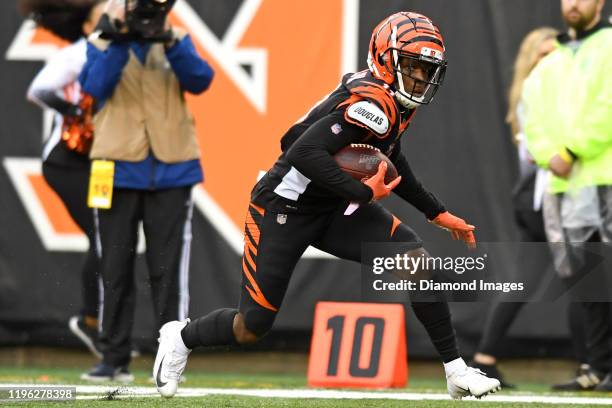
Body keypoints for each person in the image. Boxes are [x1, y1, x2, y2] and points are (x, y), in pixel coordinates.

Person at [153, 11, 501, 400]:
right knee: (252, 326)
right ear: (386, 58)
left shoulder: (393, 103)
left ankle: (455, 370)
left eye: (426, 69)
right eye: (413, 66)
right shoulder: (375, 103)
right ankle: (180, 338)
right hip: (283, 208)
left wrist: (435, 210)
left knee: (415, 261)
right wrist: (362, 194)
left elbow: (390, 156)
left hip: (332, 207)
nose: (420, 77)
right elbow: (300, 150)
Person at [78, 0, 215, 381]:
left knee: (168, 270)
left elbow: (201, 80)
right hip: (115, 168)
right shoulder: (101, 40)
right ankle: (113, 356)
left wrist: (170, 40)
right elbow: (94, 86)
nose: (143, 15)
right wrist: (116, 37)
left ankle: (171, 357)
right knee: (114, 265)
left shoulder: (177, 38)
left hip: (172, 169)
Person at [470, 27, 569, 387]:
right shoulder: (534, 99)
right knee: (587, 277)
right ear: (531, 61)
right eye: (542, 56)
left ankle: (484, 357)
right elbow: (540, 156)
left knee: (528, 281)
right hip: (542, 200)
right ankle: (595, 366)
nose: (550, 62)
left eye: (554, 55)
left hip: (542, 199)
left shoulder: (549, 94)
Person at [522, 0, 612, 391]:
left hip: (605, 178)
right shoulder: (551, 62)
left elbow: (607, 107)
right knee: (587, 283)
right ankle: (597, 367)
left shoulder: (609, 46)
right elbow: (531, 116)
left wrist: (573, 150)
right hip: (566, 186)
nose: (573, 3)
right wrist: (551, 156)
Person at [21, 0, 106, 360]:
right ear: (87, 26)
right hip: (67, 160)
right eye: (103, 14)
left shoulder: (124, 56)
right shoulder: (78, 54)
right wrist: (75, 113)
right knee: (102, 234)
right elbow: (38, 91)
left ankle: (102, 325)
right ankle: (90, 321)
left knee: (112, 237)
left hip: (102, 162)